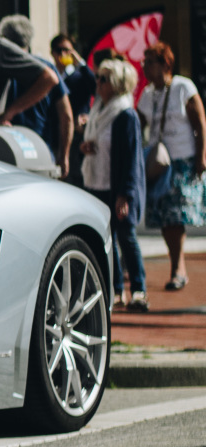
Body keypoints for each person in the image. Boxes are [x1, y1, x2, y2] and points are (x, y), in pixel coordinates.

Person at [137, 41, 206, 292]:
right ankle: (178, 265)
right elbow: (138, 122)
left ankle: (178, 268)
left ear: (165, 63)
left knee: (176, 216)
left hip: (181, 160)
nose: (145, 68)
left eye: (150, 63)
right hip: (159, 164)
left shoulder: (182, 87)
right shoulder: (147, 93)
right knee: (165, 218)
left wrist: (202, 157)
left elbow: (200, 122)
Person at [80, 59, 148, 310]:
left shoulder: (126, 114)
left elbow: (133, 158)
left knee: (126, 236)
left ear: (118, 83)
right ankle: (116, 290)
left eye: (103, 79)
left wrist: (126, 194)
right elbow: (95, 143)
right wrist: (84, 146)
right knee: (107, 239)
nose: (97, 82)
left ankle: (139, 289)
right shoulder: (98, 109)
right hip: (97, 182)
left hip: (118, 186)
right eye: (98, 77)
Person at [0, 15, 73, 173]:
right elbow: (67, 116)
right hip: (42, 152)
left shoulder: (0, 68)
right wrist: (64, 155)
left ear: (4, 40)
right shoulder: (46, 67)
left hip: (5, 152)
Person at [52, 33, 97, 185]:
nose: (63, 54)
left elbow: (95, 87)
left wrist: (81, 64)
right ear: (53, 52)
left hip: (77, 134)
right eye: (60, 50)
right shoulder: (51, 76)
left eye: (68, 50)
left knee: (76, 176)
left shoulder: (79, 75)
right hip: (56, 134)